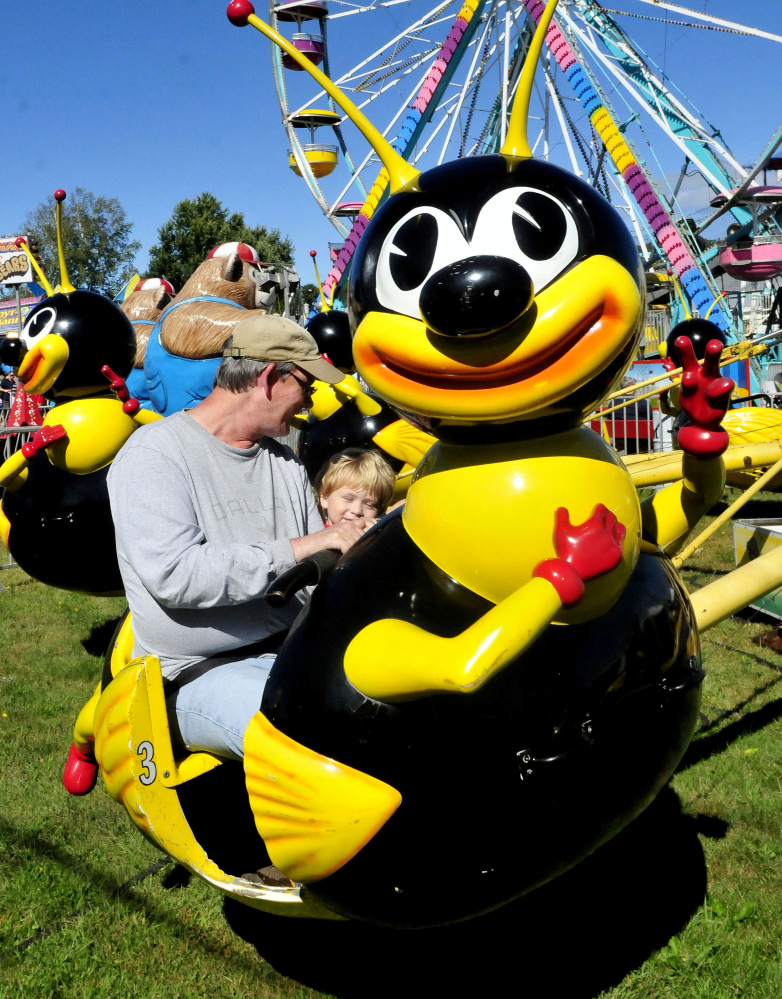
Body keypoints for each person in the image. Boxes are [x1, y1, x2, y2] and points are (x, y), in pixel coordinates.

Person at [106, 313, 371, 771]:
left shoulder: (283, 461)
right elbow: (175, 576)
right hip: (194, 672)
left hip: (291, 649)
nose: (308, 402)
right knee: (314, 744)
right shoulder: (154, 454)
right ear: (268, 376)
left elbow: (315, 572)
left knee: (386, 717)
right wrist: (300, 548)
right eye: (305, 386)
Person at [314, 447, 395, 528]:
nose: (357, 510)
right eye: (348, 499)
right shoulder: (315, 535)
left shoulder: (375, 537)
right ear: (325, 497)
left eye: (369, 504)